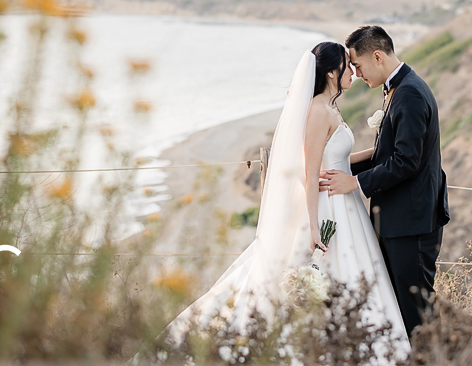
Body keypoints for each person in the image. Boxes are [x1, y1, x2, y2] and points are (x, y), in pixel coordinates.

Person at [147, 42, 409, 363]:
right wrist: (314, 225)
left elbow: (336, 160)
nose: (353, 72)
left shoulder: (330, 108)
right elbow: (310, 173)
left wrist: (380, 153)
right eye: (346, 65)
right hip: (327, 205)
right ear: (331, 72)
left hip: (346, 202)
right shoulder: (317, 110)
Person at [321, 25, 450, 337]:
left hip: (412, 223)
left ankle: (429, 357)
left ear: (377, 56)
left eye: (357, 65)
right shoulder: (399, 87)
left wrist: (355, 183)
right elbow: (388, 153)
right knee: (402, 309)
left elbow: (406, 161)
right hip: (402, 219)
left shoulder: (409, 94)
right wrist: (334, 165)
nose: (356, 73)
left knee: (415, 312)